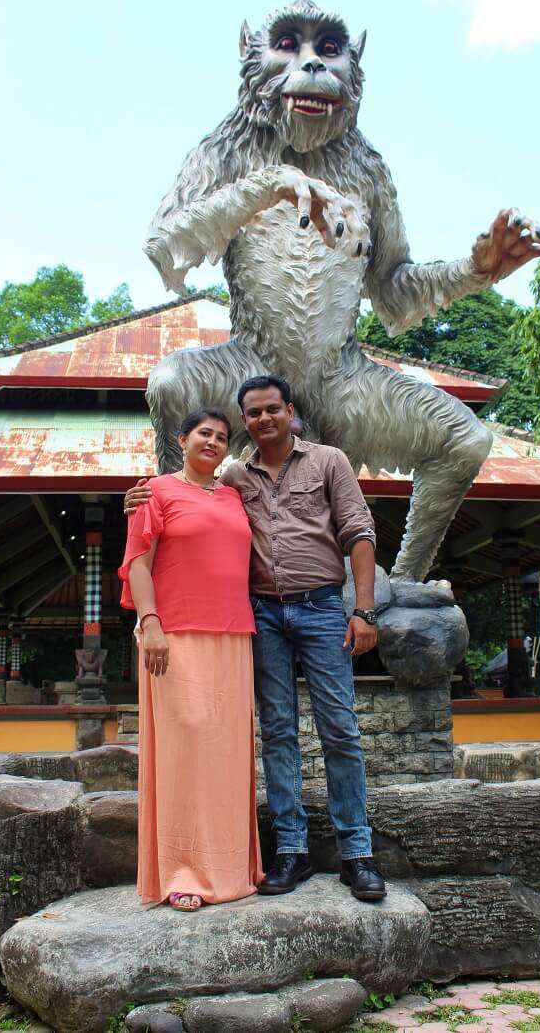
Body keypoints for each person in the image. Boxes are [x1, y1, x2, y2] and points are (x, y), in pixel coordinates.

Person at [126, 375, 387, 902]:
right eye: (253, 413)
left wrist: (363, 610)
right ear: (244, 421)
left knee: (340, 728)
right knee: (278, 731)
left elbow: (360, 533)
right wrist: (140, 495)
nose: (264, 419)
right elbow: (180, 500)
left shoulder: (328, 461)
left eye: (273, 409)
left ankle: (357, 853)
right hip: (262, 614)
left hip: (318, 609)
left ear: (290, 411)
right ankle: (290, 851)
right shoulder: (236, 476)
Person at [119, 407, 263, 911]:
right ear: (181, 439)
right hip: (174, 634)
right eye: (205, 433)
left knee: (228, 752)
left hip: (234, 634)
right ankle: (183, 872)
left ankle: (231, 869)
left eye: (223, 437)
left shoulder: (234, 495)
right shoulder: (154, 492)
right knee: (186, 748)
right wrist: (150, 622)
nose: (214, 443)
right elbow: (137, 563)